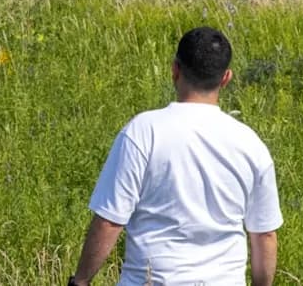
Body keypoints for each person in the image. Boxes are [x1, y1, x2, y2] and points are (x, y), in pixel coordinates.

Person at [68, 27, 282, 286]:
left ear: (175, 70)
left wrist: (80, 281)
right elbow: (265, 234)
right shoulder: (251, 145)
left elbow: (109, 222)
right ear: (226, 78)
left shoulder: (143, 132)